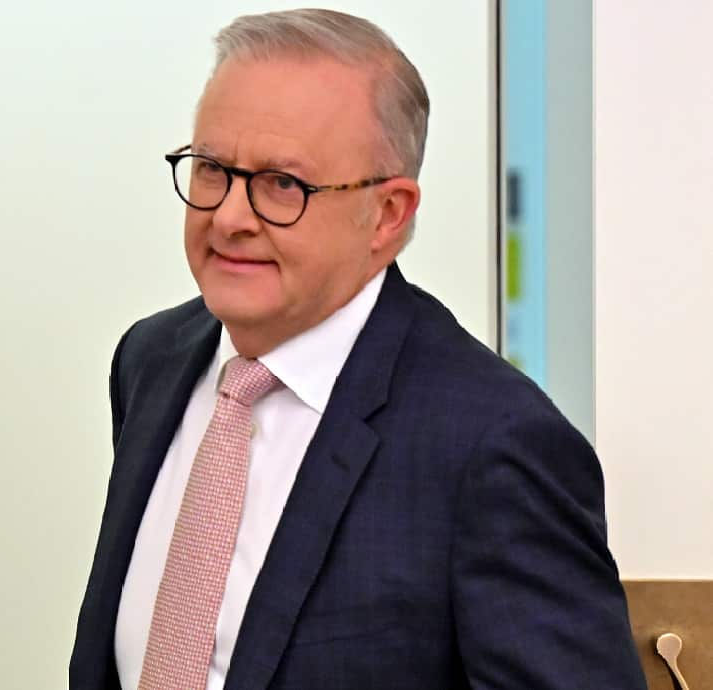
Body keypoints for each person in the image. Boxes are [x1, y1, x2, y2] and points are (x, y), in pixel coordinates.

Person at [70, 9, 647, 690]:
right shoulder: (150, 360)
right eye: (211, 170)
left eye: (281, 184)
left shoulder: (493, 445)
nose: (229, 216)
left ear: (388, 214)